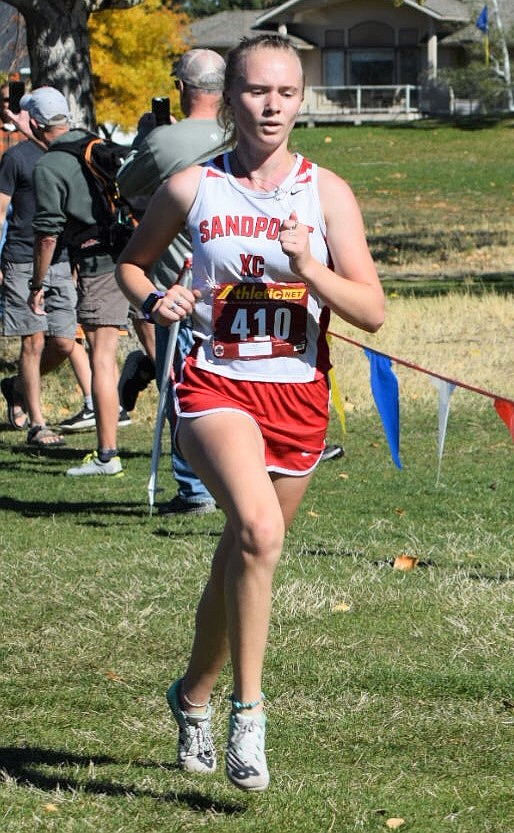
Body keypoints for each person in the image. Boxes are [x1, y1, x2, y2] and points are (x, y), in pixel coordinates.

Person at [116, 34, 385, 791]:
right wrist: (156, 297)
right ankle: (250, 713)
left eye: (287, 93)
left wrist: (310, 269)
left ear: (302, 101)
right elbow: (132, 265)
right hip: (216, 384)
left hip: (298, 394)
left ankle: (191, 696)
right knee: (260, 531)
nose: (271, 106)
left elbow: (372, 310)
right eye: (257, 91)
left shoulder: (326, 193)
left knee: (245, 554)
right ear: (229, 98)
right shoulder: (194, 187)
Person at [117, 47, 230, 515]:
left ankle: (195, 487)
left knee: (183, 386)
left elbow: (126, 184)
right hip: (240, 280)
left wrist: (146, 139)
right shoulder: (241, 133)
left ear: (182, 88)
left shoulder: (165, 141)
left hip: (178, 286)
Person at [16, 86, 130, 474]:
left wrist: (36, 283)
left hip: (99, 266)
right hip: (134, 255)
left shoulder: (48, 167)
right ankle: (185, 443)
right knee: (155, 350)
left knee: (101, 353)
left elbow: (48, 234)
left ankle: (107, 455)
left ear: (32, 122)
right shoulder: (96, 143)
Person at [0, 104, 81, 446]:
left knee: (63, 342)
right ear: (37, 122)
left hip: (61, 259)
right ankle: (38, 423)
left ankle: (15, 386)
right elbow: (1, 210)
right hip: (21, 258)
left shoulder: (69, 155)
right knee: (32, 342)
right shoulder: (16, 158)